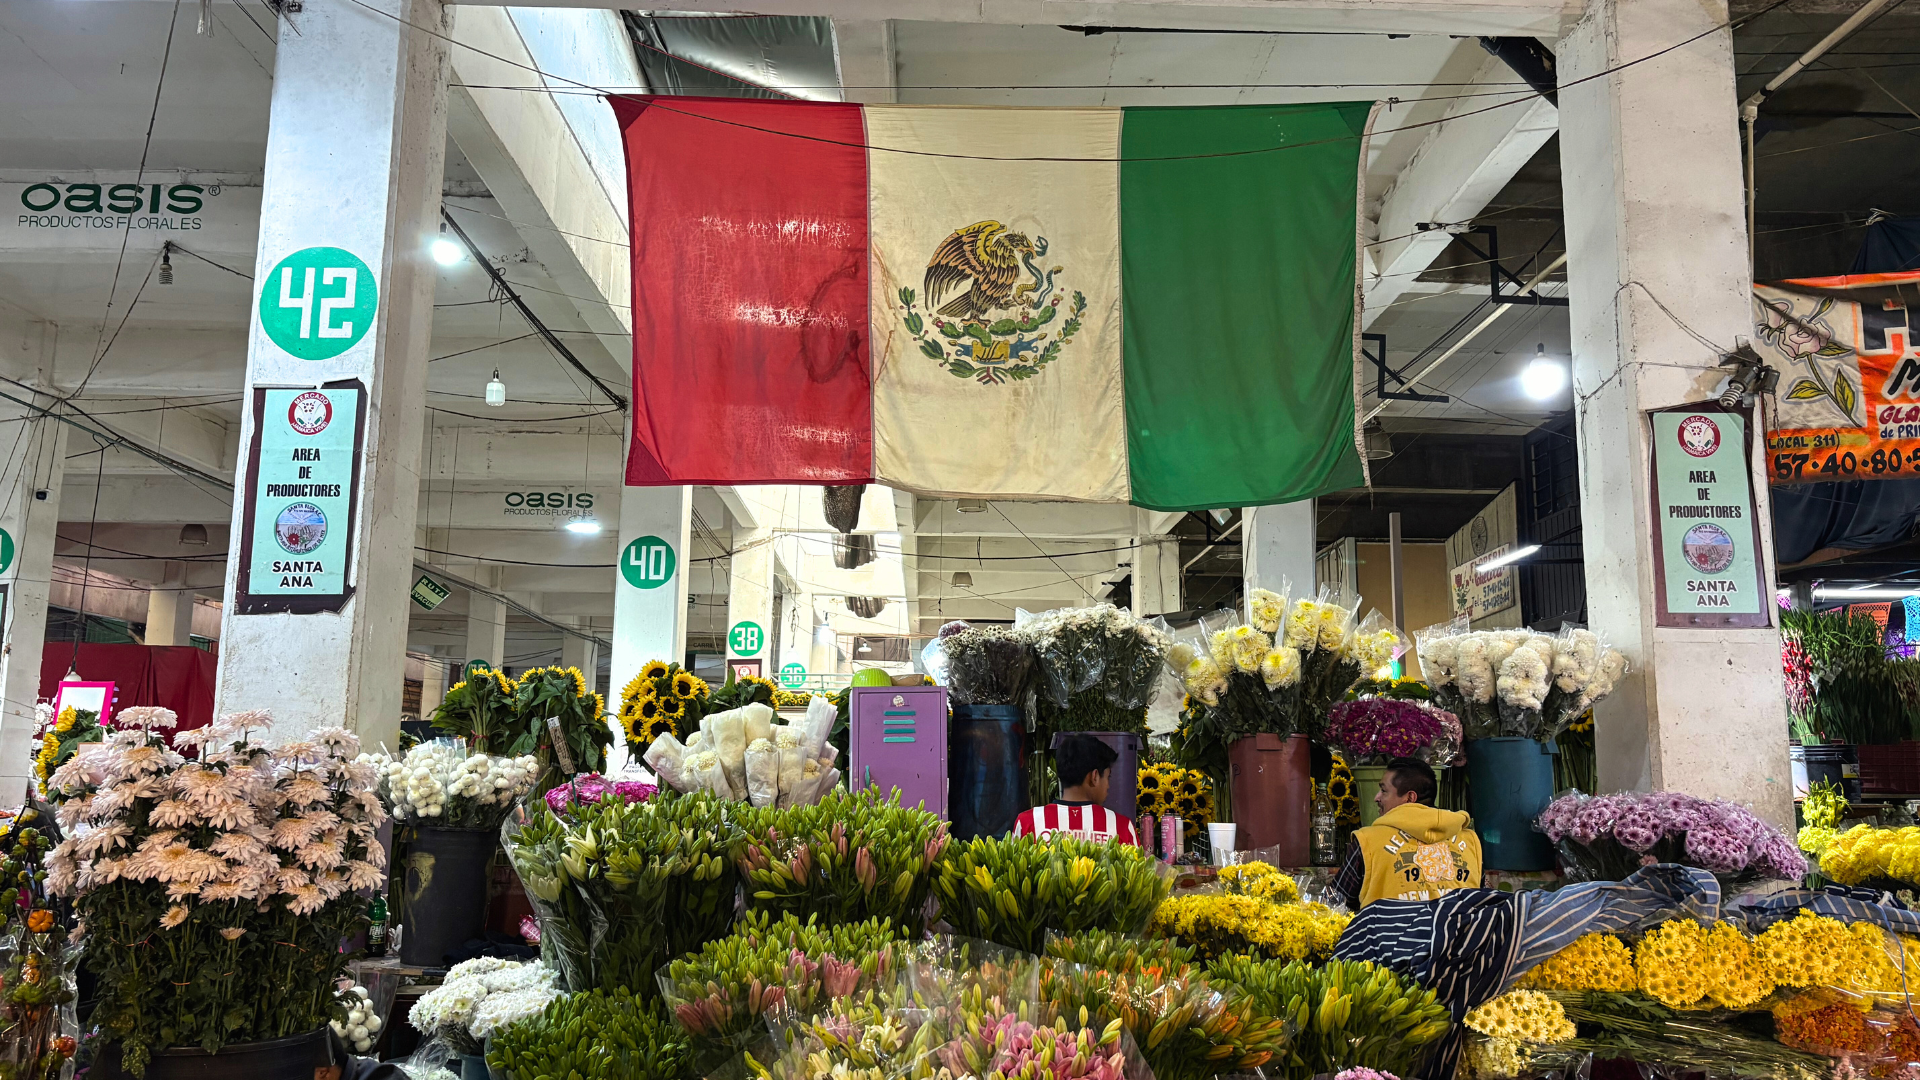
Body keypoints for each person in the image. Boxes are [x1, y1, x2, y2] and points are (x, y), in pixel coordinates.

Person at [1333, 757, 1481, 909]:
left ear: (1410, 797)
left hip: (1389, 932)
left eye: (1384, 791)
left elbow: (1335, 904)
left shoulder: (1368, 842)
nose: (1376, 797)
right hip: (1454, 932)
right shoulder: (1470, 842)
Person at [1013, 733, 1138, 845]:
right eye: (1107, 777)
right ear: (1094, 777)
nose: (1108, 786)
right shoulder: (1122, 827)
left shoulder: (1028, 822)